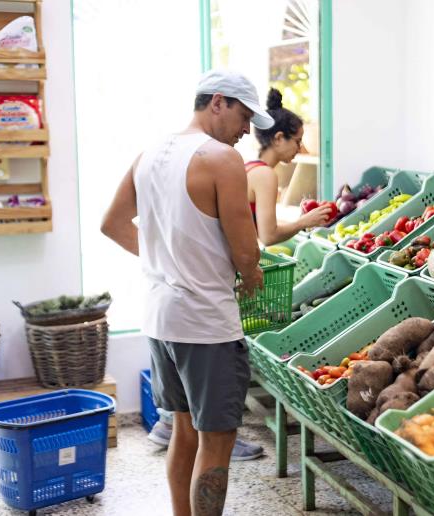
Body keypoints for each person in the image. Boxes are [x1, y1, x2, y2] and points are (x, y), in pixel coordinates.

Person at [101, 69, 272, 516]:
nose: (245, 132)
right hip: (206, 326)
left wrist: (164, 260)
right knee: (216, 442)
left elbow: (112, 223)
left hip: (161, 320)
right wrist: (251, 274)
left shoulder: (150, 153)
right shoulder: (220, 159)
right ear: (218, 102)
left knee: (183, 431)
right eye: (243, 117)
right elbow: (246, 251)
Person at [246, 88, 331, 245]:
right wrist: (303, 222)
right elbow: (268, 236)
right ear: (278, 138)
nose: (299, 149)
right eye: (297, 141)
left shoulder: (250, 167)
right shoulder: (265, 175)